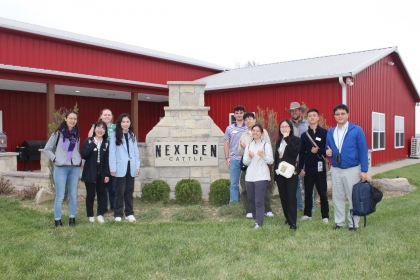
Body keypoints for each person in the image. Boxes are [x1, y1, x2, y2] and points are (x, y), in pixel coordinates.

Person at [326, 104, 368, 231]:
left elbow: (363, 150)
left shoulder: (356, 130)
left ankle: (353, 223)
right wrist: (327, 153)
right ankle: (339, 222)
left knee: (352, 197)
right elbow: (327, 148)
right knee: (337, 196)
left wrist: (364, 170)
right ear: (334, 116)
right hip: (336, 169)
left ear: (347, 114)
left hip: (352, 169)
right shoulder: (331, 132)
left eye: (342, 113)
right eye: (337, 114)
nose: (340, 116)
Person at [44, 110, 81, 227]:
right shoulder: (58, 133)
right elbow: (47, 149)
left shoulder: (77, 134)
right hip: (61, 168)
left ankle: (72, 219)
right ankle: (57, 220)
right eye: (70, 118)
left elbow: (76, 150)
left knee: (73, 195)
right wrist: (55, 159)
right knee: (60, 196)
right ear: (65, 119)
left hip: (74, 168)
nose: (73, 121)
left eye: (75, 119)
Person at [238, 112, 274, 218]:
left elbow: (267, 147)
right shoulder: (244, 135)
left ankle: (267, 209)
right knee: (245, 188)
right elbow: (239, 151)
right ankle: (249, 210)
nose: (248, 121)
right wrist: (244, 148)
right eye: (246, 120)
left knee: (262, 189)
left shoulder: (263, 132)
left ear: (254, 120)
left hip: (261, 164)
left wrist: (263, 155)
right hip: (248, 165)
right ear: (244, 122)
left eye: (250, 119)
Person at [298, 108, 329, 224]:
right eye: (309, 116)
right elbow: (301, 153)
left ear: (318, 118)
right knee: (308, 191)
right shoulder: (304, 135)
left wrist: (319, 150)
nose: (312, 117)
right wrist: (301, 167)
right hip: (308, 167)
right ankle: (307, 214)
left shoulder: (325, 133)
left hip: (320, 167)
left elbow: (327, 150)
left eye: (314, 115)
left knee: (322, 192)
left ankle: (325, 216)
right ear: (307, 118)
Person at [109, 113, 141, 222]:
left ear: (130, 123)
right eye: (123, 122)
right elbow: (112, 152)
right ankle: (118, 214)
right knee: (119, 191)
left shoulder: (132, 135)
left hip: (131, 167)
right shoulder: (114, 135)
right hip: (119, 167)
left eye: (127, 122)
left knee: (129, 191)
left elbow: (136, 152)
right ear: (119, 123)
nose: (126, 124)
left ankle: (129, 213)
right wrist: (112, 168)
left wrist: (137, 166)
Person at [274, 119, 302, 231]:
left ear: (290, 128)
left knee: (291, 197)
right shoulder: (278, 141)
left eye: (286, 126)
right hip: (280, 172)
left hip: (291, 173)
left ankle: (293, 222)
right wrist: (275, 176)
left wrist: (287, 138)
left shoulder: (296, 140)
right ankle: (287, 218)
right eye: (282, 127)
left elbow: (294, 152)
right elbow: (277, 158)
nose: (284, 128)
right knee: (283, 196)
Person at [81, 120, 110, 223]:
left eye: (103, 128)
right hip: (90, 172)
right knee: (90, 195)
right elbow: (84, 155)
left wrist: (107, 174)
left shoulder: (107, 143)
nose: (100, 130)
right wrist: (93, 145)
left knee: (101, 194)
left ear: (105, 131)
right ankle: (90, 215)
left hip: (101, 173)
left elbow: (107, 160)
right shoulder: (88, 141)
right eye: (98, 127)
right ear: (94, 129)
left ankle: (100, 214)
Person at [88, 108, 116, 214]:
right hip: (101, 160)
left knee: (113, 186)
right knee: (103, 186)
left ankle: (113, 205)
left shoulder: (115, 127)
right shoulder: (96, 126)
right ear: (101, 116)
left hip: (112, 159)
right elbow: (89, 139)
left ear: (112, 116)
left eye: (109, 115)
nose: (107, 116)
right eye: (105, 115)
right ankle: (103, 207)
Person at [286, 102, 312, 212]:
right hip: (292, 158)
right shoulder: (287, 124)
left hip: (306, 157)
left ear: (300, 111)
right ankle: (299, 206)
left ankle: (310, 206)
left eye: (296, 110)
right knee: (295, 184)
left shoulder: (308, 123)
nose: (294, 112)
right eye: (292, 110)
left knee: (307, 183)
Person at [224, 105, 247, 203]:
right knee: (234, 184)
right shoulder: (229, 128)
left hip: (247, 159)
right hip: (234, 159)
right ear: (234, 115)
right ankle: (233, 204)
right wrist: (227, 158)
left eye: (241, 113)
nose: (239, 115)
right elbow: (226, 143)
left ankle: (248, 204)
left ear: (244, 114)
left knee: (247, 183)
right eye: (237, 113)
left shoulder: (248, 128)